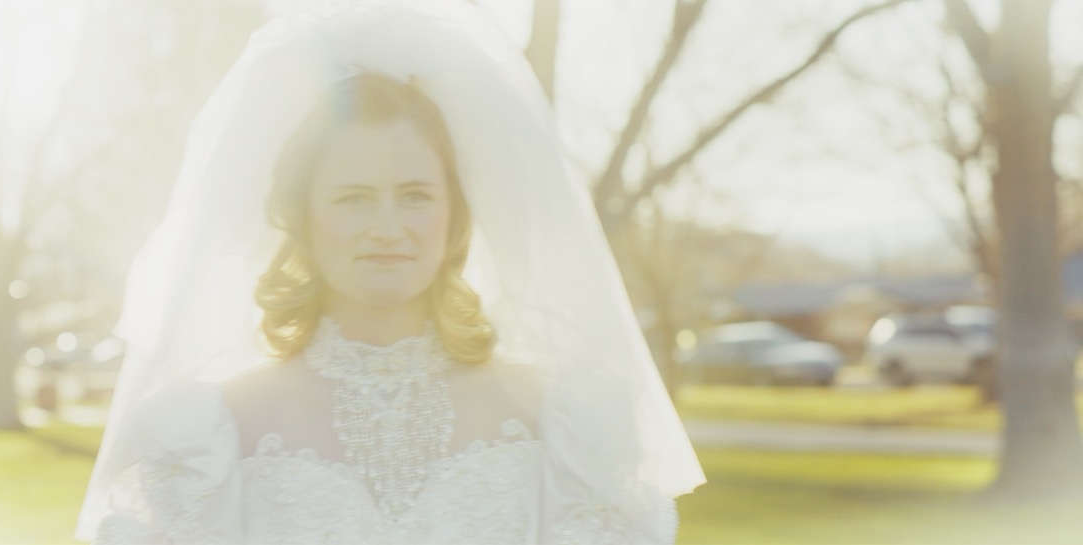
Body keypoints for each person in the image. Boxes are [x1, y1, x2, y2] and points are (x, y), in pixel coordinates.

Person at [76, 1, 704, 543]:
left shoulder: (561, 419)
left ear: (454, 216)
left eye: (415, 195)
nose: (387, 226)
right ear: (302, 218)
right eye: (353, 197)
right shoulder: (209, 433)